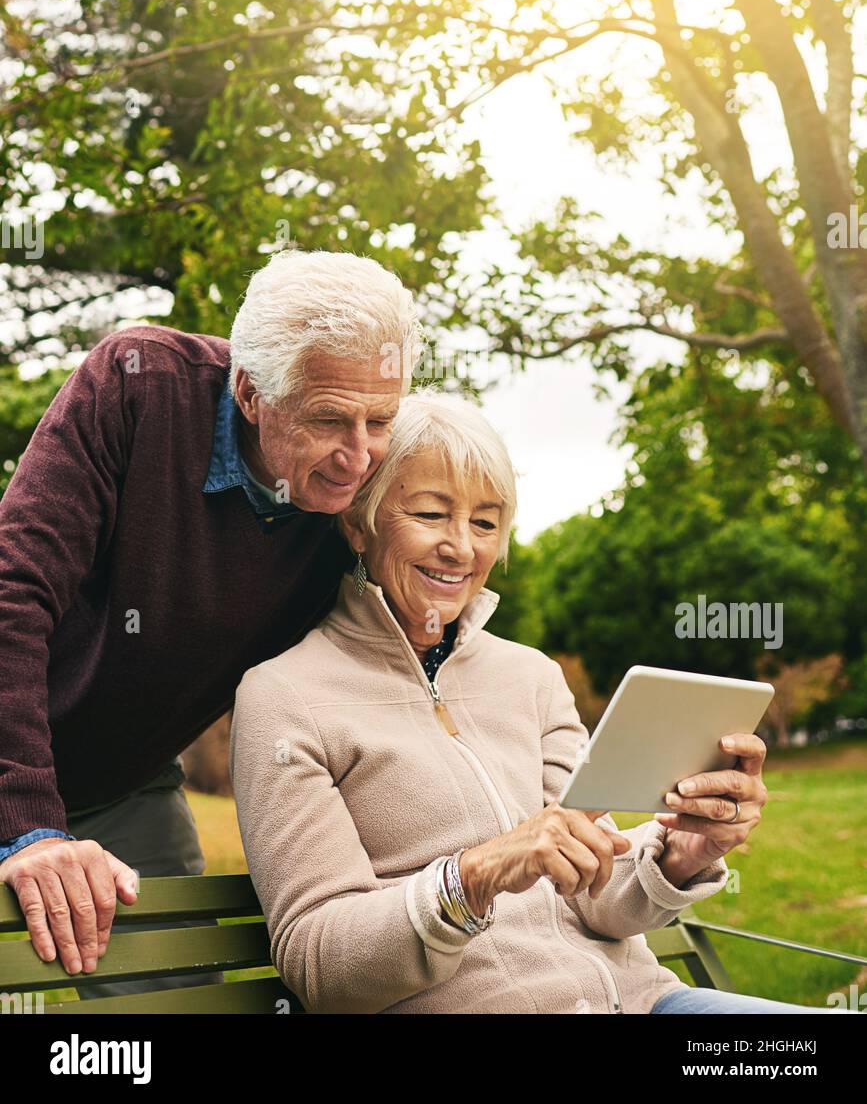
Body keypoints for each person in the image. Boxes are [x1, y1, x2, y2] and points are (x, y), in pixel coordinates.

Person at [229, 391, 853, 1014]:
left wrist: (685, 853)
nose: (461, 548)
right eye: (429, 514)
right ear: (358, 520)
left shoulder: (530, 677)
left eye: (484, 522)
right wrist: (473, 878)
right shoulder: (286, 698)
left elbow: (598, 896)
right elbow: (319, 961)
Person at [0, 249, 421, 998]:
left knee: (179, 998)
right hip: (15, 751)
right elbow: (11, 596)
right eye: (330, 420)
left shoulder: (365, 487)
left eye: (380, 420)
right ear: (251, 393)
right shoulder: (139, 387)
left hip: (120, 782)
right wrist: (29, 824)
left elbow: (411, 656)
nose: (360, 457)